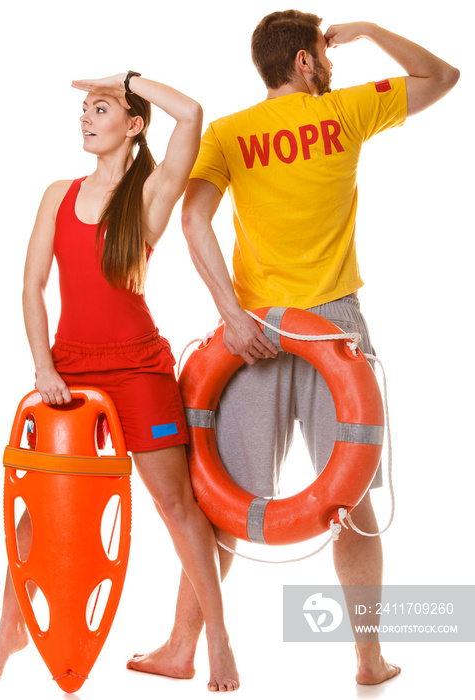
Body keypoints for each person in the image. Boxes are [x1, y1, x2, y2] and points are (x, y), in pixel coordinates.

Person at [125, 12, 459, 686]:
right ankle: (368, 660)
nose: (329, 63)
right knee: (351, 500)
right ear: (306, 62)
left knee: (220, 502)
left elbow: (192, 221)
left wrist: (228, 314)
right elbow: (441, 76)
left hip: (250, 333)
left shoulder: (227, 131)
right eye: (324, 54)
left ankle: (181, 648)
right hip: (330, 324)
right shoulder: (344, 112)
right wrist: (366, 31)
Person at [0, 72, 239, 692]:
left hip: (138, 365)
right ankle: (10, 627)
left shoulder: (148, 195)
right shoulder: (57, 194)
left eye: (102, 109)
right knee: (35, 508)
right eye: (85, 110)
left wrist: (126, 80)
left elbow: (193, 115)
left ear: (134, 124)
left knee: (176, 506)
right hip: (67, 367)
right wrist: (44, 366)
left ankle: (217, 640)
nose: (87, 118)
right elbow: (32, 287)